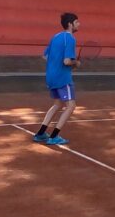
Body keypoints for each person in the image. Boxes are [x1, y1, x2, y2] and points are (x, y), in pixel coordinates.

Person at [33, 12, 81, 145]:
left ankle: (40, 133)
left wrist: (61, 64)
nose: (79, 24)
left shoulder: (56, 36)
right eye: (77, 22)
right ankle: (54, 136)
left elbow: (45, 57)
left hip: (51, 76)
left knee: (58, 104)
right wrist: (75, 63)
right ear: (70, 24)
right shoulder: (70, 38)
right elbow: (67, 61)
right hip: (63, 78)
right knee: (71, 106)